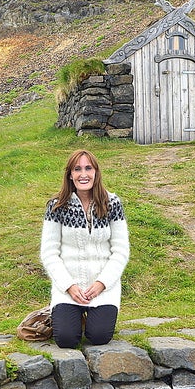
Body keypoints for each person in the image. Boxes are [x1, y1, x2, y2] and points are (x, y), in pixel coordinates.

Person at [40, 149, 130, 348]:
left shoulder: (112, 203)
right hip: (68, 290)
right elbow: (49, 253)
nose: (83, 174)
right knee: (65, 339)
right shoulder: (57, 206)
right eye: (77, 169)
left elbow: (121, 251)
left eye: (88, 168)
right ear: (70, 175)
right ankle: (64, 314)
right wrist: (69, 286)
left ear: (96, 172)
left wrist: (102, 283)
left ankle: (90, 317)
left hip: (103, 289)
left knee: (98, 336)